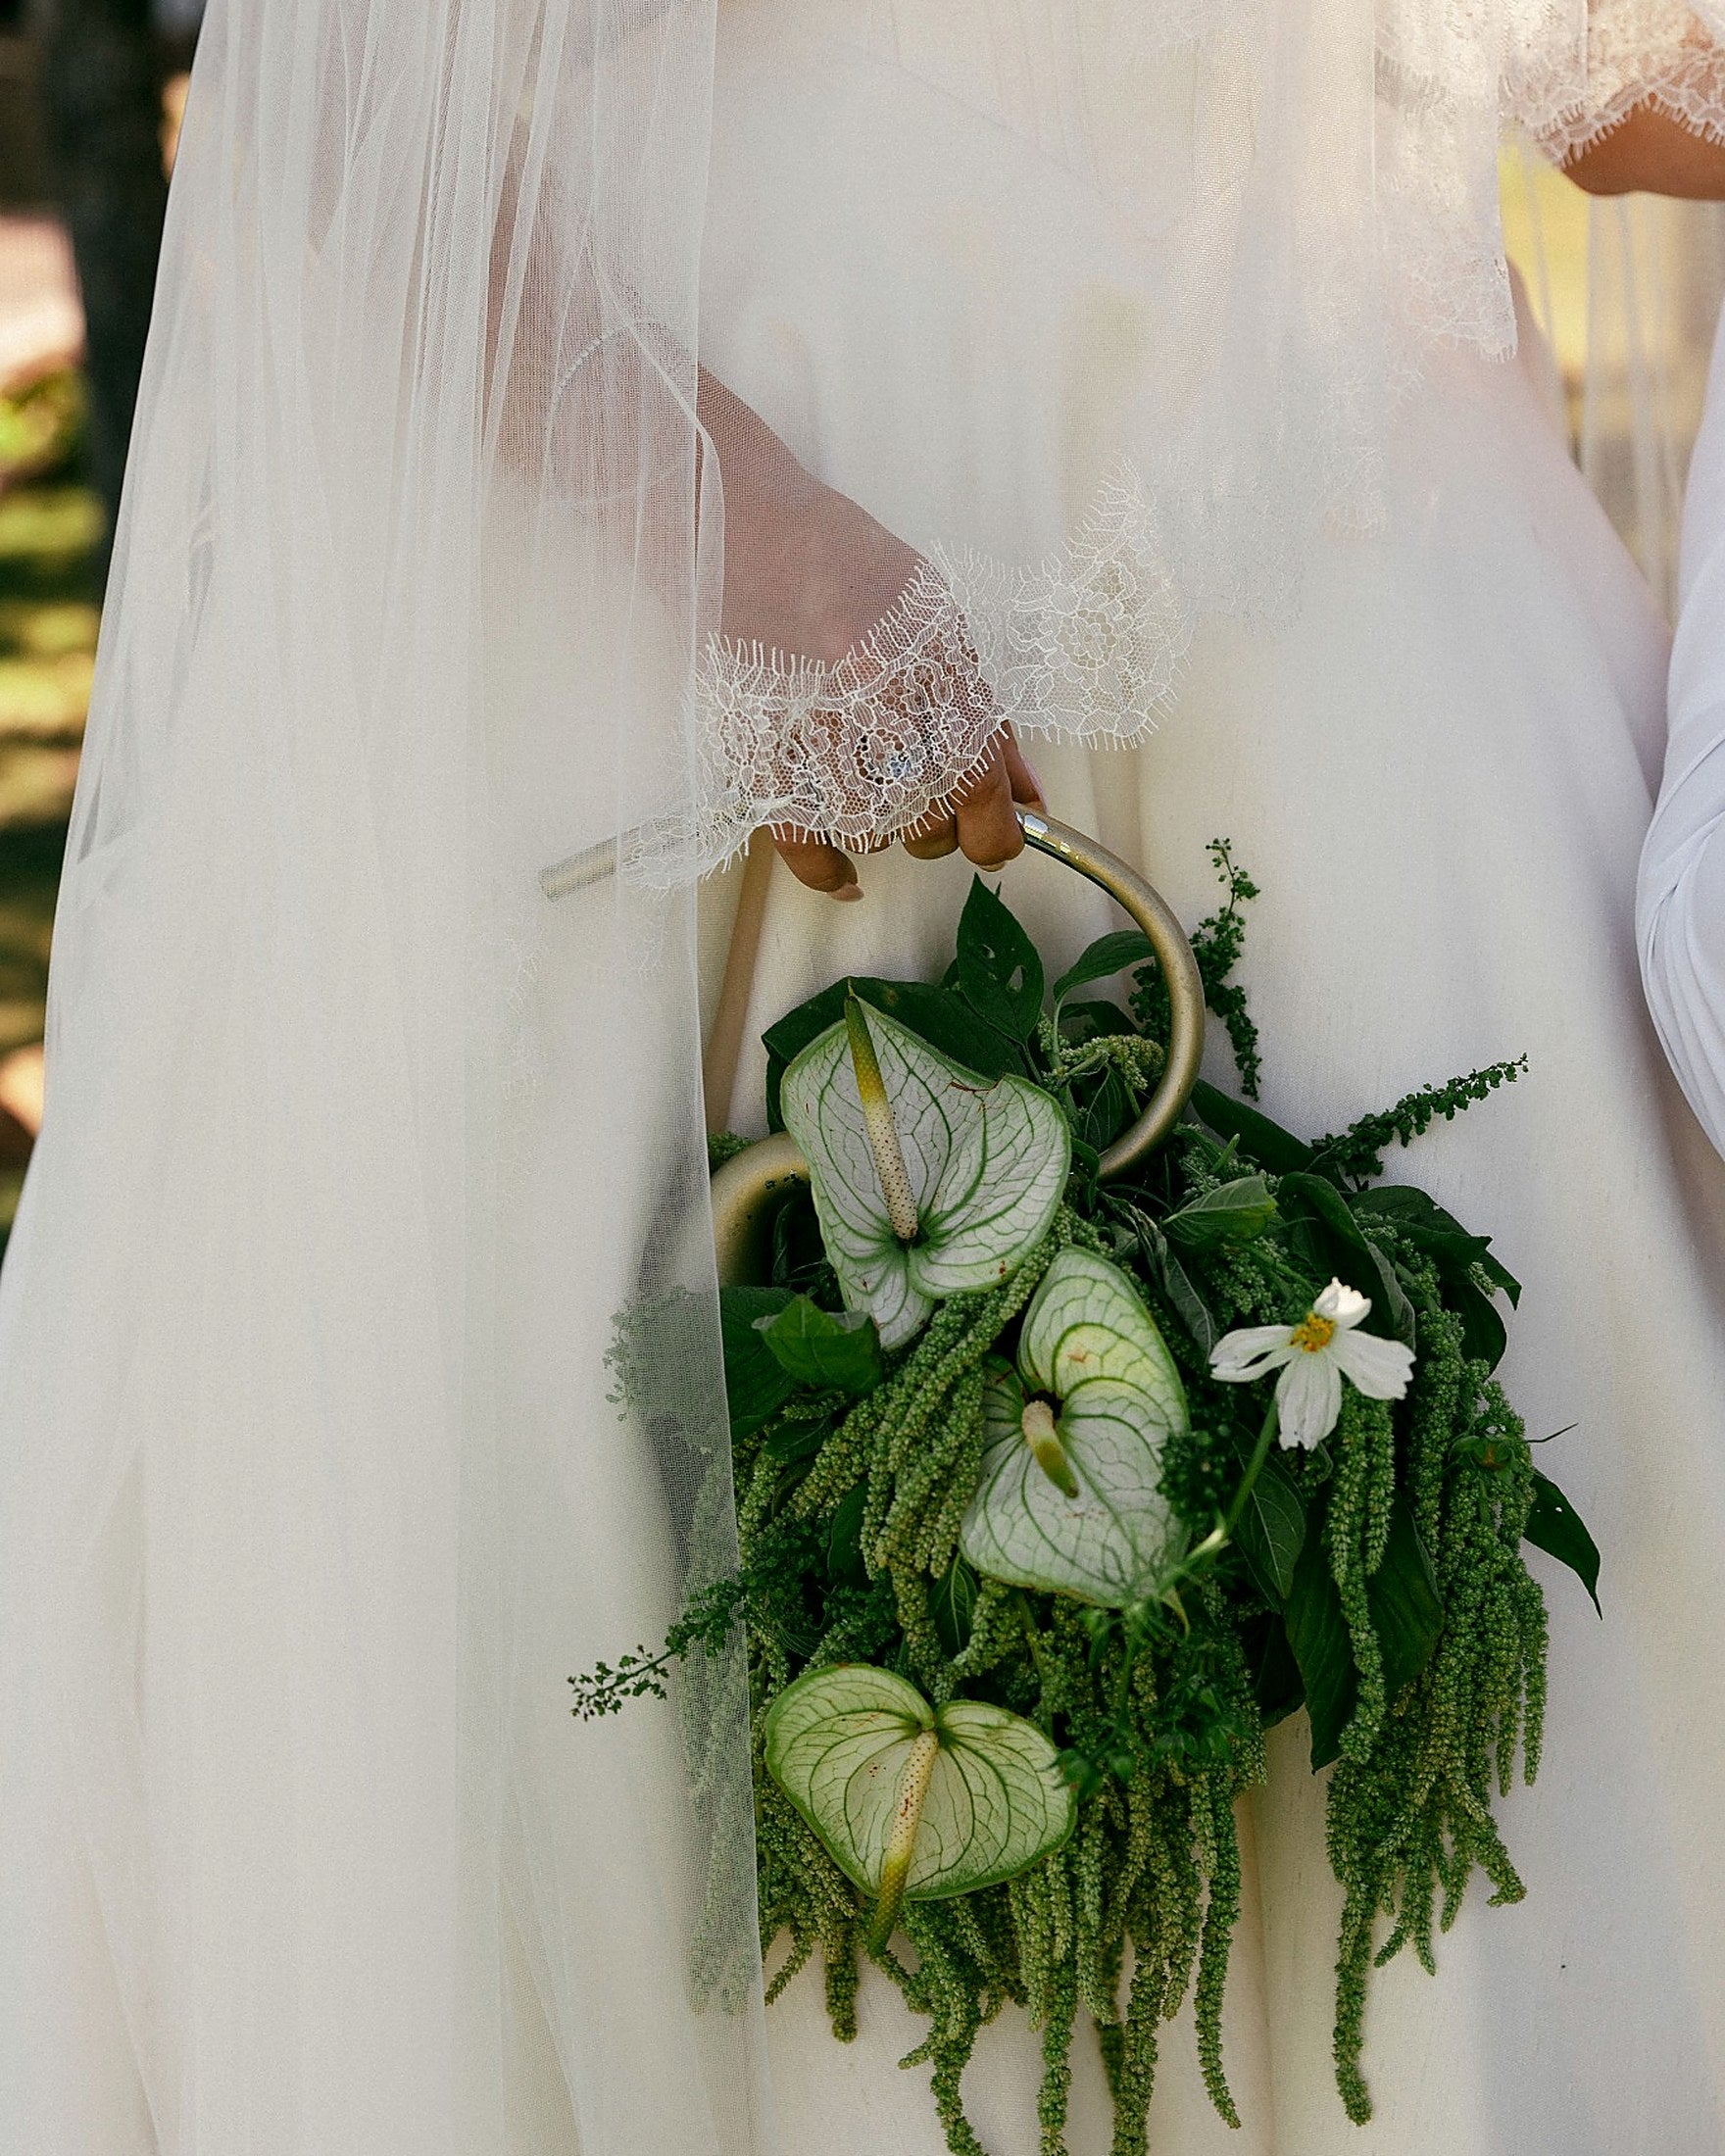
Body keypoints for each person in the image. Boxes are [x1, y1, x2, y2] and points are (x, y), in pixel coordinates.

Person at [2, 4, 1724, 2155]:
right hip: (783, 497)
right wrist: (751, 541)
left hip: (1359, 484)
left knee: (1533, 1580)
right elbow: (348, 103)